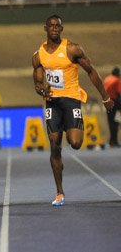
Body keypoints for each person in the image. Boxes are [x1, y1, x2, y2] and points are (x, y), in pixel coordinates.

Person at [32, 15, 114, 206]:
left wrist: (105, 97)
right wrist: (40, 89)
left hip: (71, 100)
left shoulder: (72, 49)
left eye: (57, 26)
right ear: (45, 28)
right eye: (51, 26)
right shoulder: (38, 56)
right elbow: (37, 80)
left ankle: (69, 134)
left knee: (75, 143)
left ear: (61, 29)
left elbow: (91, 71)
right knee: (54, 145)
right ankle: (59, 192)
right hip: (52, 103)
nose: (54, 29)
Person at [103, 67, 121, 147]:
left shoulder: (107, 79)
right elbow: (119, 92)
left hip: (107, 103)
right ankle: (114, 140)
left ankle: (111, 140)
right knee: (116, 122)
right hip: (116, 103)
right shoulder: (116, 80)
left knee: (110, 122)